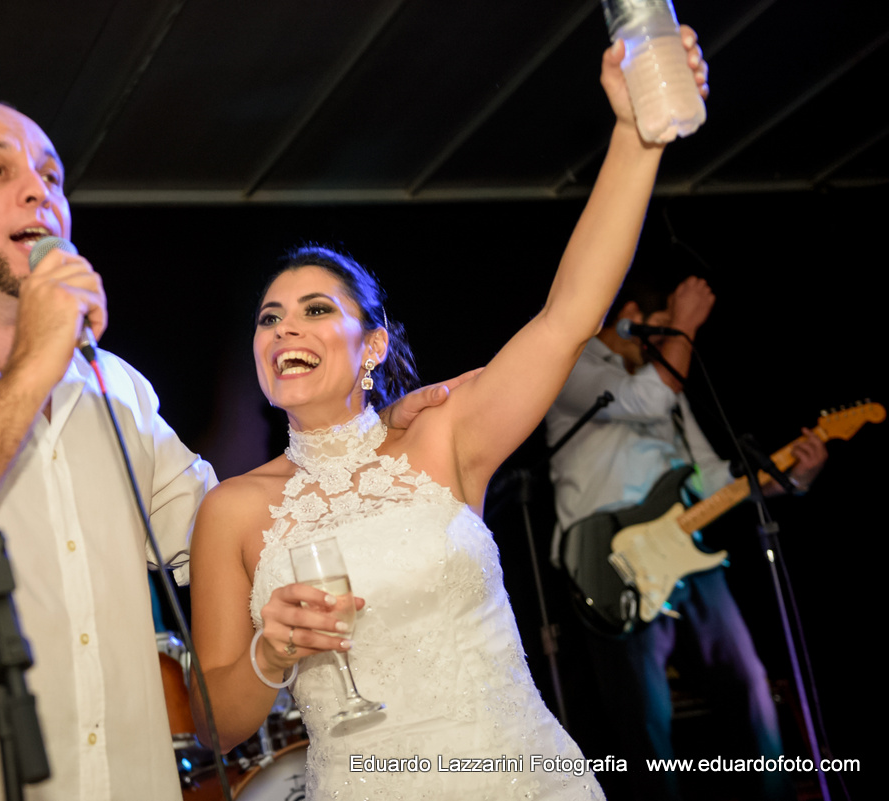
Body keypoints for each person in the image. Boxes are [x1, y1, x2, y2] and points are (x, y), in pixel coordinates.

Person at [0, 100, 457, 800]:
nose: (36, 191)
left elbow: (251, 536)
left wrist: (359, 430)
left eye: (50, 176)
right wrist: (35, 365)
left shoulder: (118, 392)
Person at [188, 30, 710, 799]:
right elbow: (213, 725)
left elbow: (568, 316)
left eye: (314, 309)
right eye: (269, 317)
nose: (283, 328)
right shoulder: (231, 511)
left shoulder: (443, 437)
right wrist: (271, 655)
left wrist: (636, 136)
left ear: (373, 348)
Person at [544, 273, 827, 800]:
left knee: (750, 689)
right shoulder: (574, 366)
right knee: (645, 722)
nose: (670, 341)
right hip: (608, 554)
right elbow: (645, 399)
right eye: (661, 329)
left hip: (684, 552)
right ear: (629, 314)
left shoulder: (669, 388)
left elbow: (710, 477)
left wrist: (792, 476)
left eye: (673, 333)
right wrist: (686, 324)